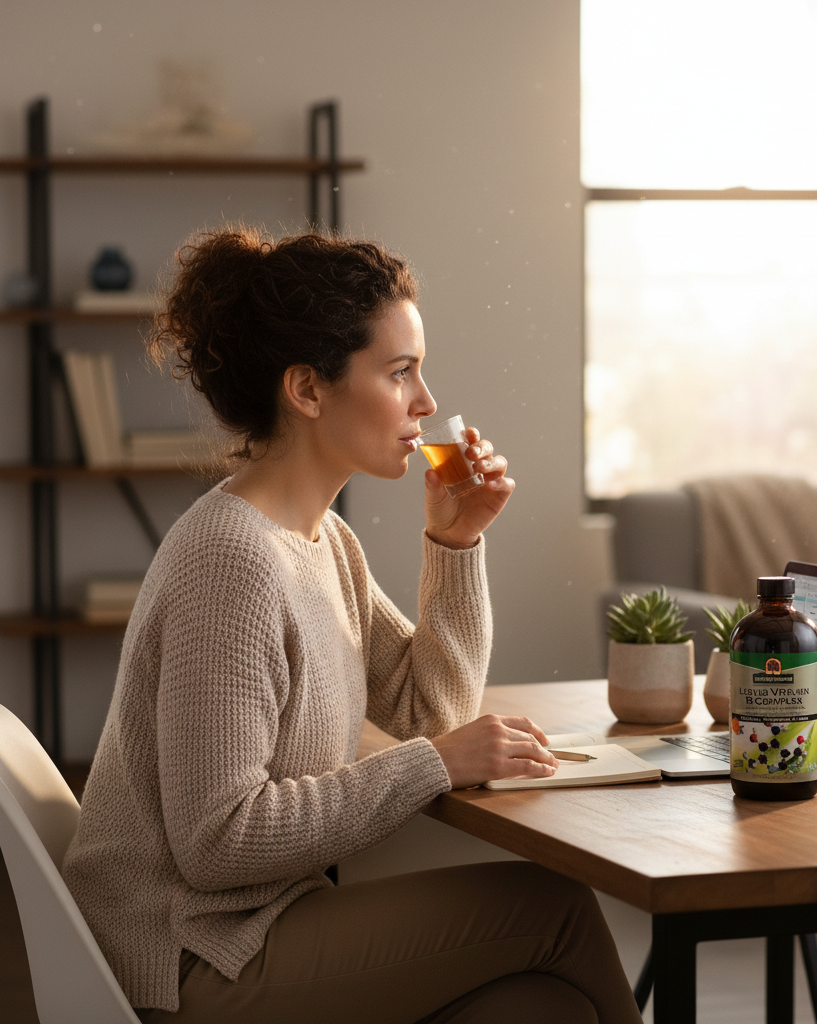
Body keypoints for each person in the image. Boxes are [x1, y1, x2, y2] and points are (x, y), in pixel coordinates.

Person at [62, 229, 644, 1024]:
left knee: (540, 1006)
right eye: (400, 371)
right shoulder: (230, 562)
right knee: (554, 907)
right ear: (307, 389)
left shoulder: (322, 540)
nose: (427, 403)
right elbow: (219, 841)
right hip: (191, 955)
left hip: (256, 926)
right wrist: (432, 764)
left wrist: (456, 541)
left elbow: (427, 710)